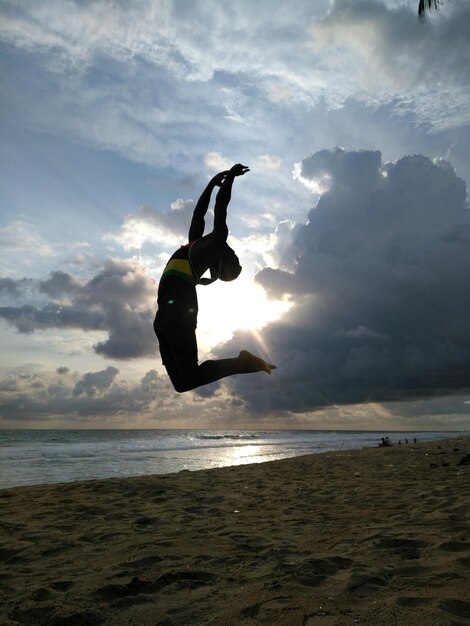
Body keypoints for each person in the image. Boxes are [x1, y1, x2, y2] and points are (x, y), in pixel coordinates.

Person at [154, 164, 276, 392]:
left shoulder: (196, 248)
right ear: (224, 261)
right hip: (163, 316)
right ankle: (245, 362)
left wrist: (214, 182)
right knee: (182, 384)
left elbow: (200, 213)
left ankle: (245, 363)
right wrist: (227, 179)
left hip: (179, 313)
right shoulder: (213, 240)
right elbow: (218, 206)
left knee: (189, 377)